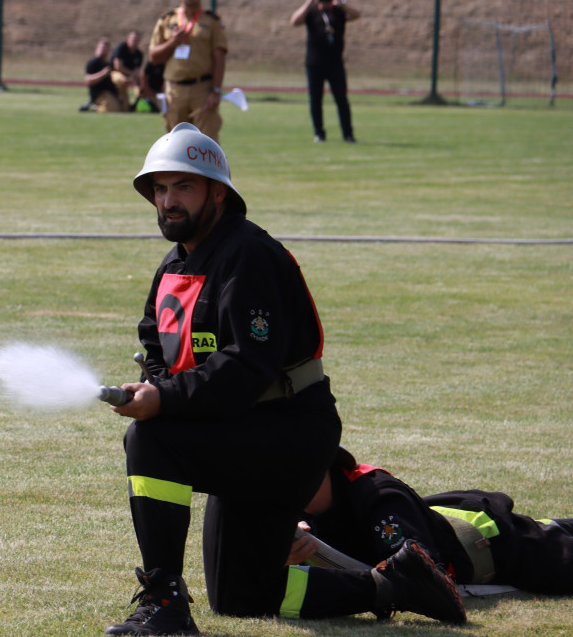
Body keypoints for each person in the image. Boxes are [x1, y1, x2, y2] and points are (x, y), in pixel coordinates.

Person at [104, 123, 465, 635]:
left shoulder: (250, 256)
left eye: (183, 186)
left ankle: (163, 601)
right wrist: (155, 382)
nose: (168, 201)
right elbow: (155, 345)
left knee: (149, 438)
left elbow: (247, 367)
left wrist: (162, 398)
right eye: (159, 189)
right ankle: (393, 585)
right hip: (242, 433)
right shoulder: (174, 266)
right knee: (242, 595)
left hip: (288, 431)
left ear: (218, 192)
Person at [282, 446, 573, 595]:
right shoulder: (287, 513)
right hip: (455, 524)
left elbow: (420, 578)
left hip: (504, 547)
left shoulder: (379, 497)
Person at [147, 0, 228, 141]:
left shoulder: (211, 21)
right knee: (176, 145)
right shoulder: (167, 20)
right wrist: (173, 42)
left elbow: (219, 57)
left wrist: (216, 90)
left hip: (202, 89)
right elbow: (153, 57)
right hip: (174, 90)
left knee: (207, 143)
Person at [289, 0, 361, 143]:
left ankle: (348, 134)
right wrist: (310, 1)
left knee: (342, 100)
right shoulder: (312, 11)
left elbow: (357, 15)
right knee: (315, 100)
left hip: (335, 64)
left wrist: (342, 2)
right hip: (314, 63)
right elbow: (294, 21)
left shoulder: (339, 11)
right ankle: (319, 133)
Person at [84, 38, 123, 113]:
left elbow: (110, 83)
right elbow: (88, 79)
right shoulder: (93, 63)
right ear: (96, 49)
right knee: (111, 109)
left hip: (108, 92)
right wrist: (102, 74)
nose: (103, 51)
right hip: (99, 93)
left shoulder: (106, 64)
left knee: (123, 107)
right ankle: (95, 108)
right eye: (101, 48)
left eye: (106, 49)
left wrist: (117, 95)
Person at [111, 30, 144, 112]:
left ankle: (136, 103)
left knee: (139, 89)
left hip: (129, 77)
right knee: (123, 79)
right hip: (115, 74)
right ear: (128, 39)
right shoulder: (122, 48)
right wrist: (131, 74)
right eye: (133, 39)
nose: (134, 41)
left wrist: (137, 80)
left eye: (137, 39)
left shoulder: (139, 54)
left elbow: (137, 71)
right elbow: (117, 66)